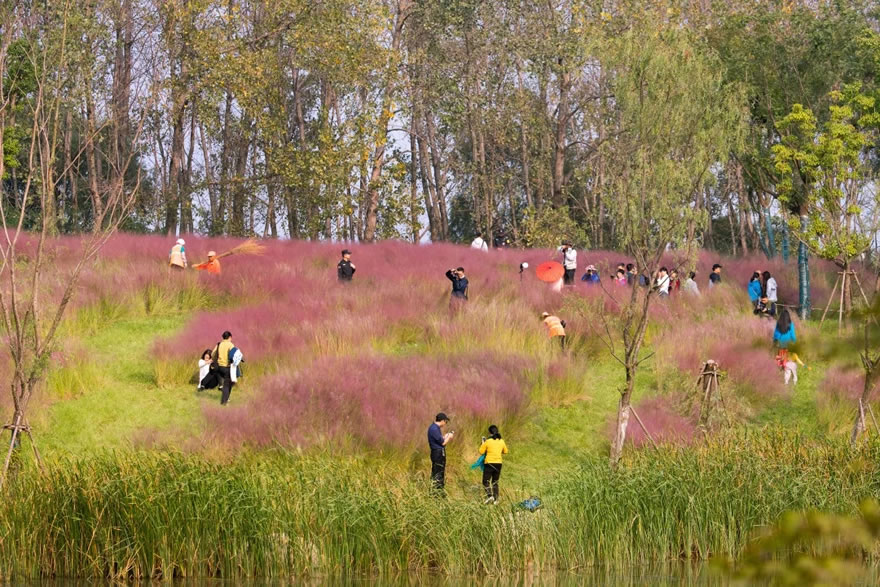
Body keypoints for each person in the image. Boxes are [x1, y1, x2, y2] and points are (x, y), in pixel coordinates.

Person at [478, 424, 509, 504]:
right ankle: (496, 500)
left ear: (490, 433)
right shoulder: (501, 441)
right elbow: (505, 451)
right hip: (498, 464)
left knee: (485, 481)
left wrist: (482, 443)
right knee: (495, 482)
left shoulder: (488, 441)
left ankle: (489, 496)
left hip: (489, 463)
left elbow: (481, 452)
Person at [428, 413, 454, 494]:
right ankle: (437, 492)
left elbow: (440, 440)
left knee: (438, 471)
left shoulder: (435, 428)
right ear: (442, 421)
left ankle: (437, 491)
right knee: (438, 472)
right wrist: (449, 437)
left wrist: (445, 436)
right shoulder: (434, 429)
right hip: (438, 453)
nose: (445, 423)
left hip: (437, 452)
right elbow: (443, 443)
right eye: (445, 422)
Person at [212, 331, 236, 405]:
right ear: (230, 337)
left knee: (229, 383)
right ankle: (224, 401)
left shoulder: (219, 344)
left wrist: (216, 360)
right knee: (227, 384)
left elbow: (213, 354)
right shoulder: (231, 345)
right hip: (226, 367)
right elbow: (234, 356)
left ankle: (226, 397)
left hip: (219, 367)